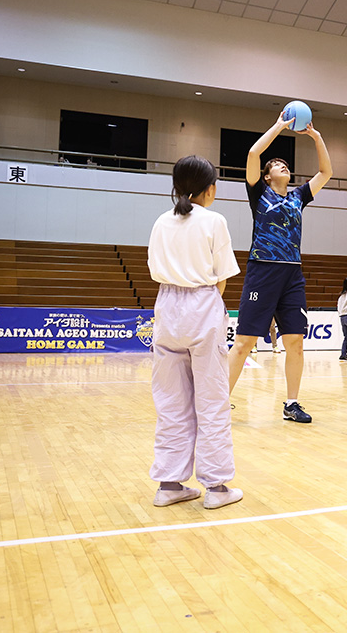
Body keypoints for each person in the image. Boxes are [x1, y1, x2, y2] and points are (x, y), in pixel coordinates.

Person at [147, 155, 243, 510]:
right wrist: (205, 308)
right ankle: (216, 488)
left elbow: (155, 270)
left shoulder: (160, 221)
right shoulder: (214, 220)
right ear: (210, 189)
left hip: (167, 308)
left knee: (171, 401)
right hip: (202, 303)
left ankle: (169, 483)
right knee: (212, 400)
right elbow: (222, 279)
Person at [226, 112, 333, 425]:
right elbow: (253, 153)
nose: (283, 166)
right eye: (277, 166)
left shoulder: (299, 196)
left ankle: (292, 403)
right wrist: (280, 126)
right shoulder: (259, 193)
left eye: (285, 165)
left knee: (295, 342)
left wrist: (316, 137)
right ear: (268, 175)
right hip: (262, 270)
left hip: (292, 274)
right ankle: (218, 402)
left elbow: (326, 171)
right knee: (245, 342)